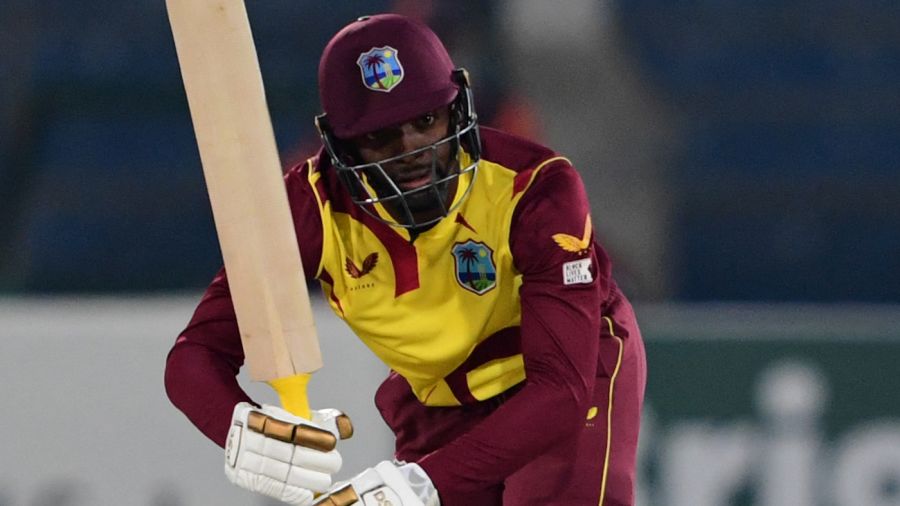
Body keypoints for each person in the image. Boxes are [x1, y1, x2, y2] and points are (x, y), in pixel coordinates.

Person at [165, 13, 646, 506]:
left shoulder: (534, 188)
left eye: (426, 120)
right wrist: (242, 430)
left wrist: (426, 481)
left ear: (457, 108)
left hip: (567, 374)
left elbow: (560, 390)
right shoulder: (306, 210)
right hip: (439, 397)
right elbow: (193, 357)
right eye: (381, 137)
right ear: (341, 144)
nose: (413, 149)